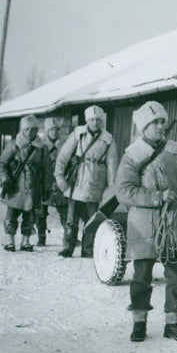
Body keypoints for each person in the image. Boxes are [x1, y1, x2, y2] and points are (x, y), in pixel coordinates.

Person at [116, 100, 177, 343]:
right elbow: (124, 190)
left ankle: (173, 324)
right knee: (142, 275)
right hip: (144, 223)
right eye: (155, 122)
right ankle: (139, 322)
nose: (160, 126)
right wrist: (156, 196)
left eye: (162, 122)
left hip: (174, 221)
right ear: (143, 126)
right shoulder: (132, 155)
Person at [54, 105, 118, 258]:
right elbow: (63, 155)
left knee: (92, 218)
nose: (95, 123)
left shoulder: (108, 139)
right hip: (77, 180)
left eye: (98, 120)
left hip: (96, 181)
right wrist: (59, 176)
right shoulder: (78, 134)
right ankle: (68, 247)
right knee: (71, 217)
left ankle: (88, 248)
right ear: (87, 120)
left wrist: (111, 186)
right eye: (92, 120)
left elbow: (112, 163)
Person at [0, 114, 49, 252]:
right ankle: (9, 239)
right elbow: (1, 164)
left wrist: (46, 188)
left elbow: (47, 169)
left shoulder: (42, 148)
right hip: (16, 186)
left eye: (33, 129)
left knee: (30, 215)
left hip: (33, 187)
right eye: (27, 129)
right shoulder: (14, 145)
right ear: (22, 130)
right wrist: (5, 180)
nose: (30, 132)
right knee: (12, 214)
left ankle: (26, 240)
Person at [36, 117, 68, 246]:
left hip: (60, 183)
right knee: (41, 213)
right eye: (52, 129)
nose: (54, 132)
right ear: (47, 131)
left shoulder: (65, 145)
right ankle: (41, 237)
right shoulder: (41, 146)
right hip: (45, 183)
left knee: (64, 211)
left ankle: (68, 237)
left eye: (57, 129)